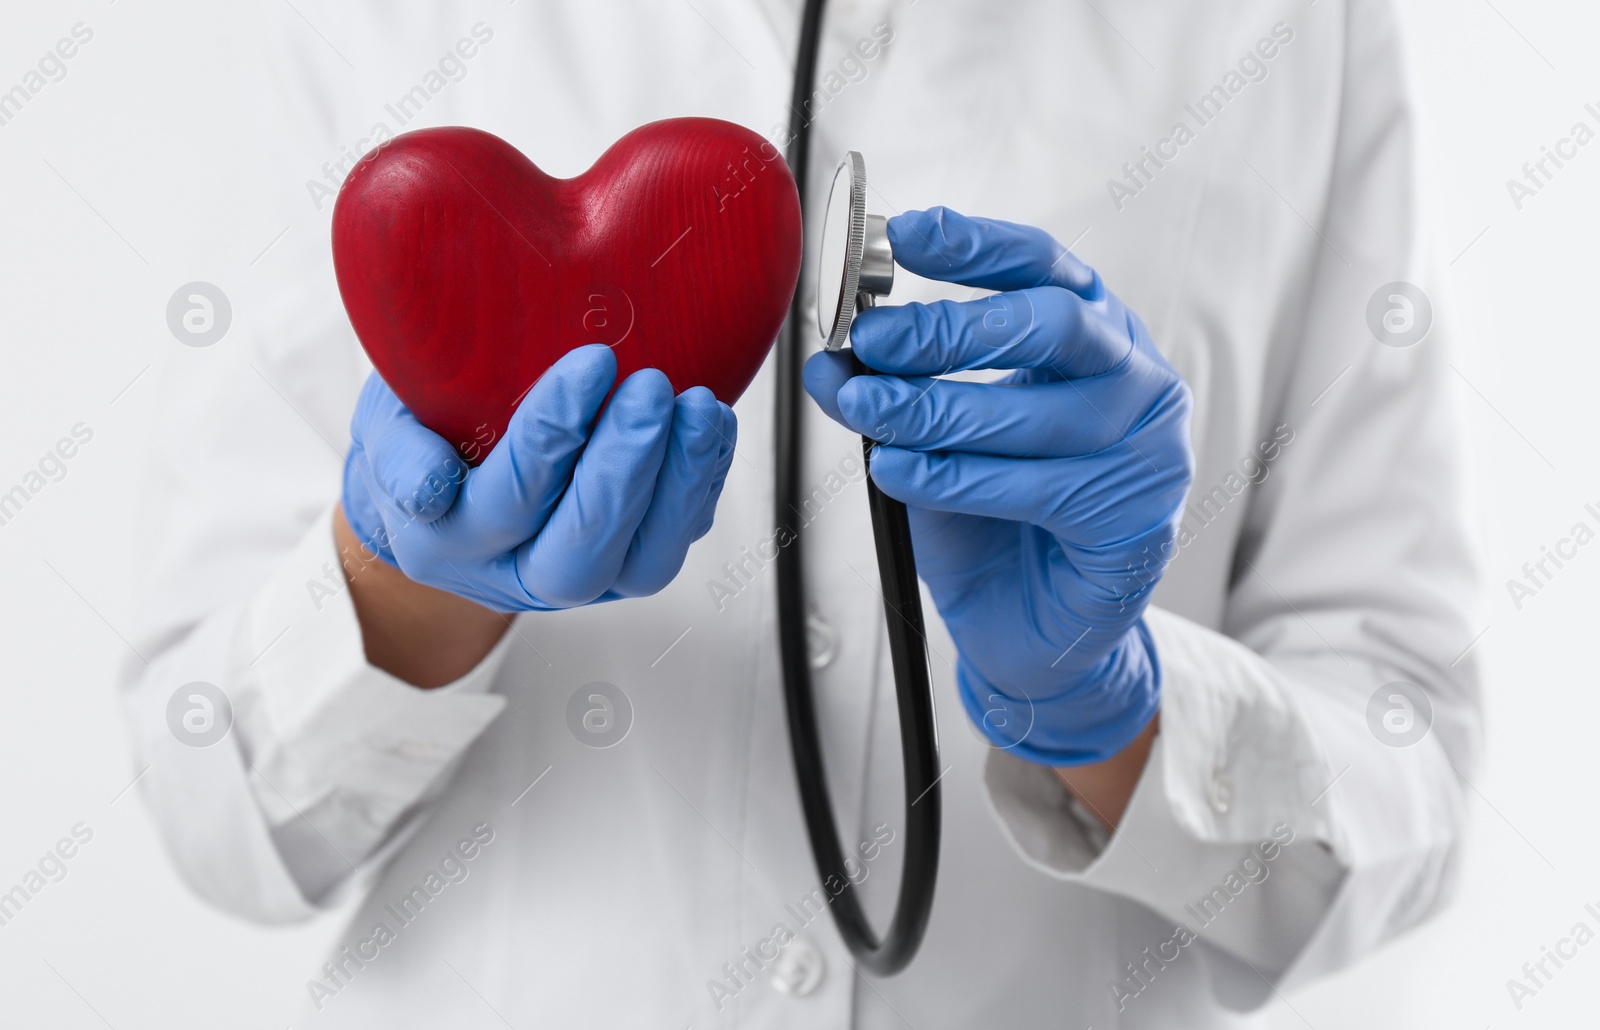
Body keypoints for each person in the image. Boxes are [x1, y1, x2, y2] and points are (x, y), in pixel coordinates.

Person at [120, 1, 1482, 1025]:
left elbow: (1406, 787)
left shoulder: (1296, 29)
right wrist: (414, 589)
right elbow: (219, 813)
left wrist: (1117, 714)